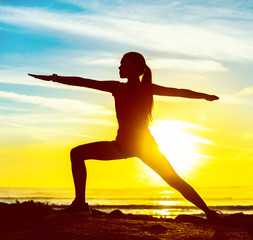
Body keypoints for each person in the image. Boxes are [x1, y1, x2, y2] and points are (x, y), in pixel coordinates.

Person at [28, 52, 219, 219]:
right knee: (77, 153)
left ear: (136, 67)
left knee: (174, 181)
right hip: (121, 146)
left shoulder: (147, 88)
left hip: (145, 147)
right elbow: (85, 82)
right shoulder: (116, 87)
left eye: (123, 64)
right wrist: (54, 78)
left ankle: (209, 213)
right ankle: (80, 204)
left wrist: (204, 96)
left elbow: (178, 93)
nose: (119, 67)